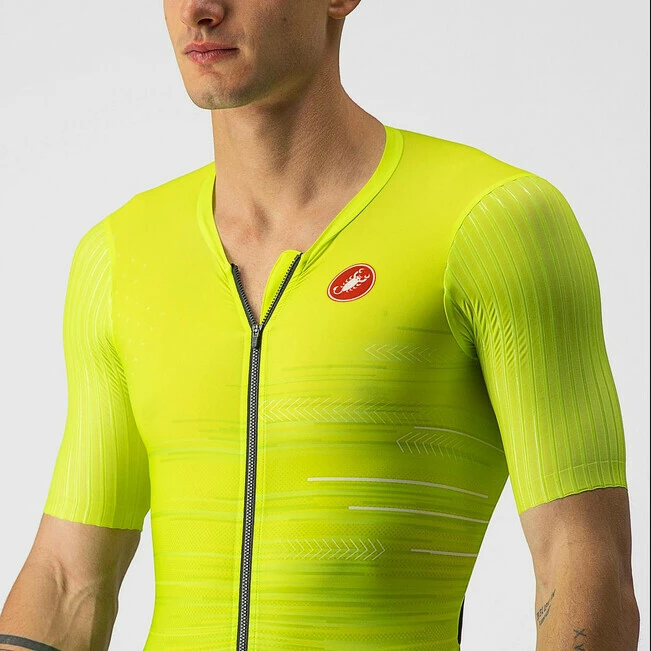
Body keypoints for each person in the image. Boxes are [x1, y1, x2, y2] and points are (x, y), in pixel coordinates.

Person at [0, 1, 641, 650]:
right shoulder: (121, 254)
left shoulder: (491, 224)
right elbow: (68, 578)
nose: (199, 10)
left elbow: (582, 561)